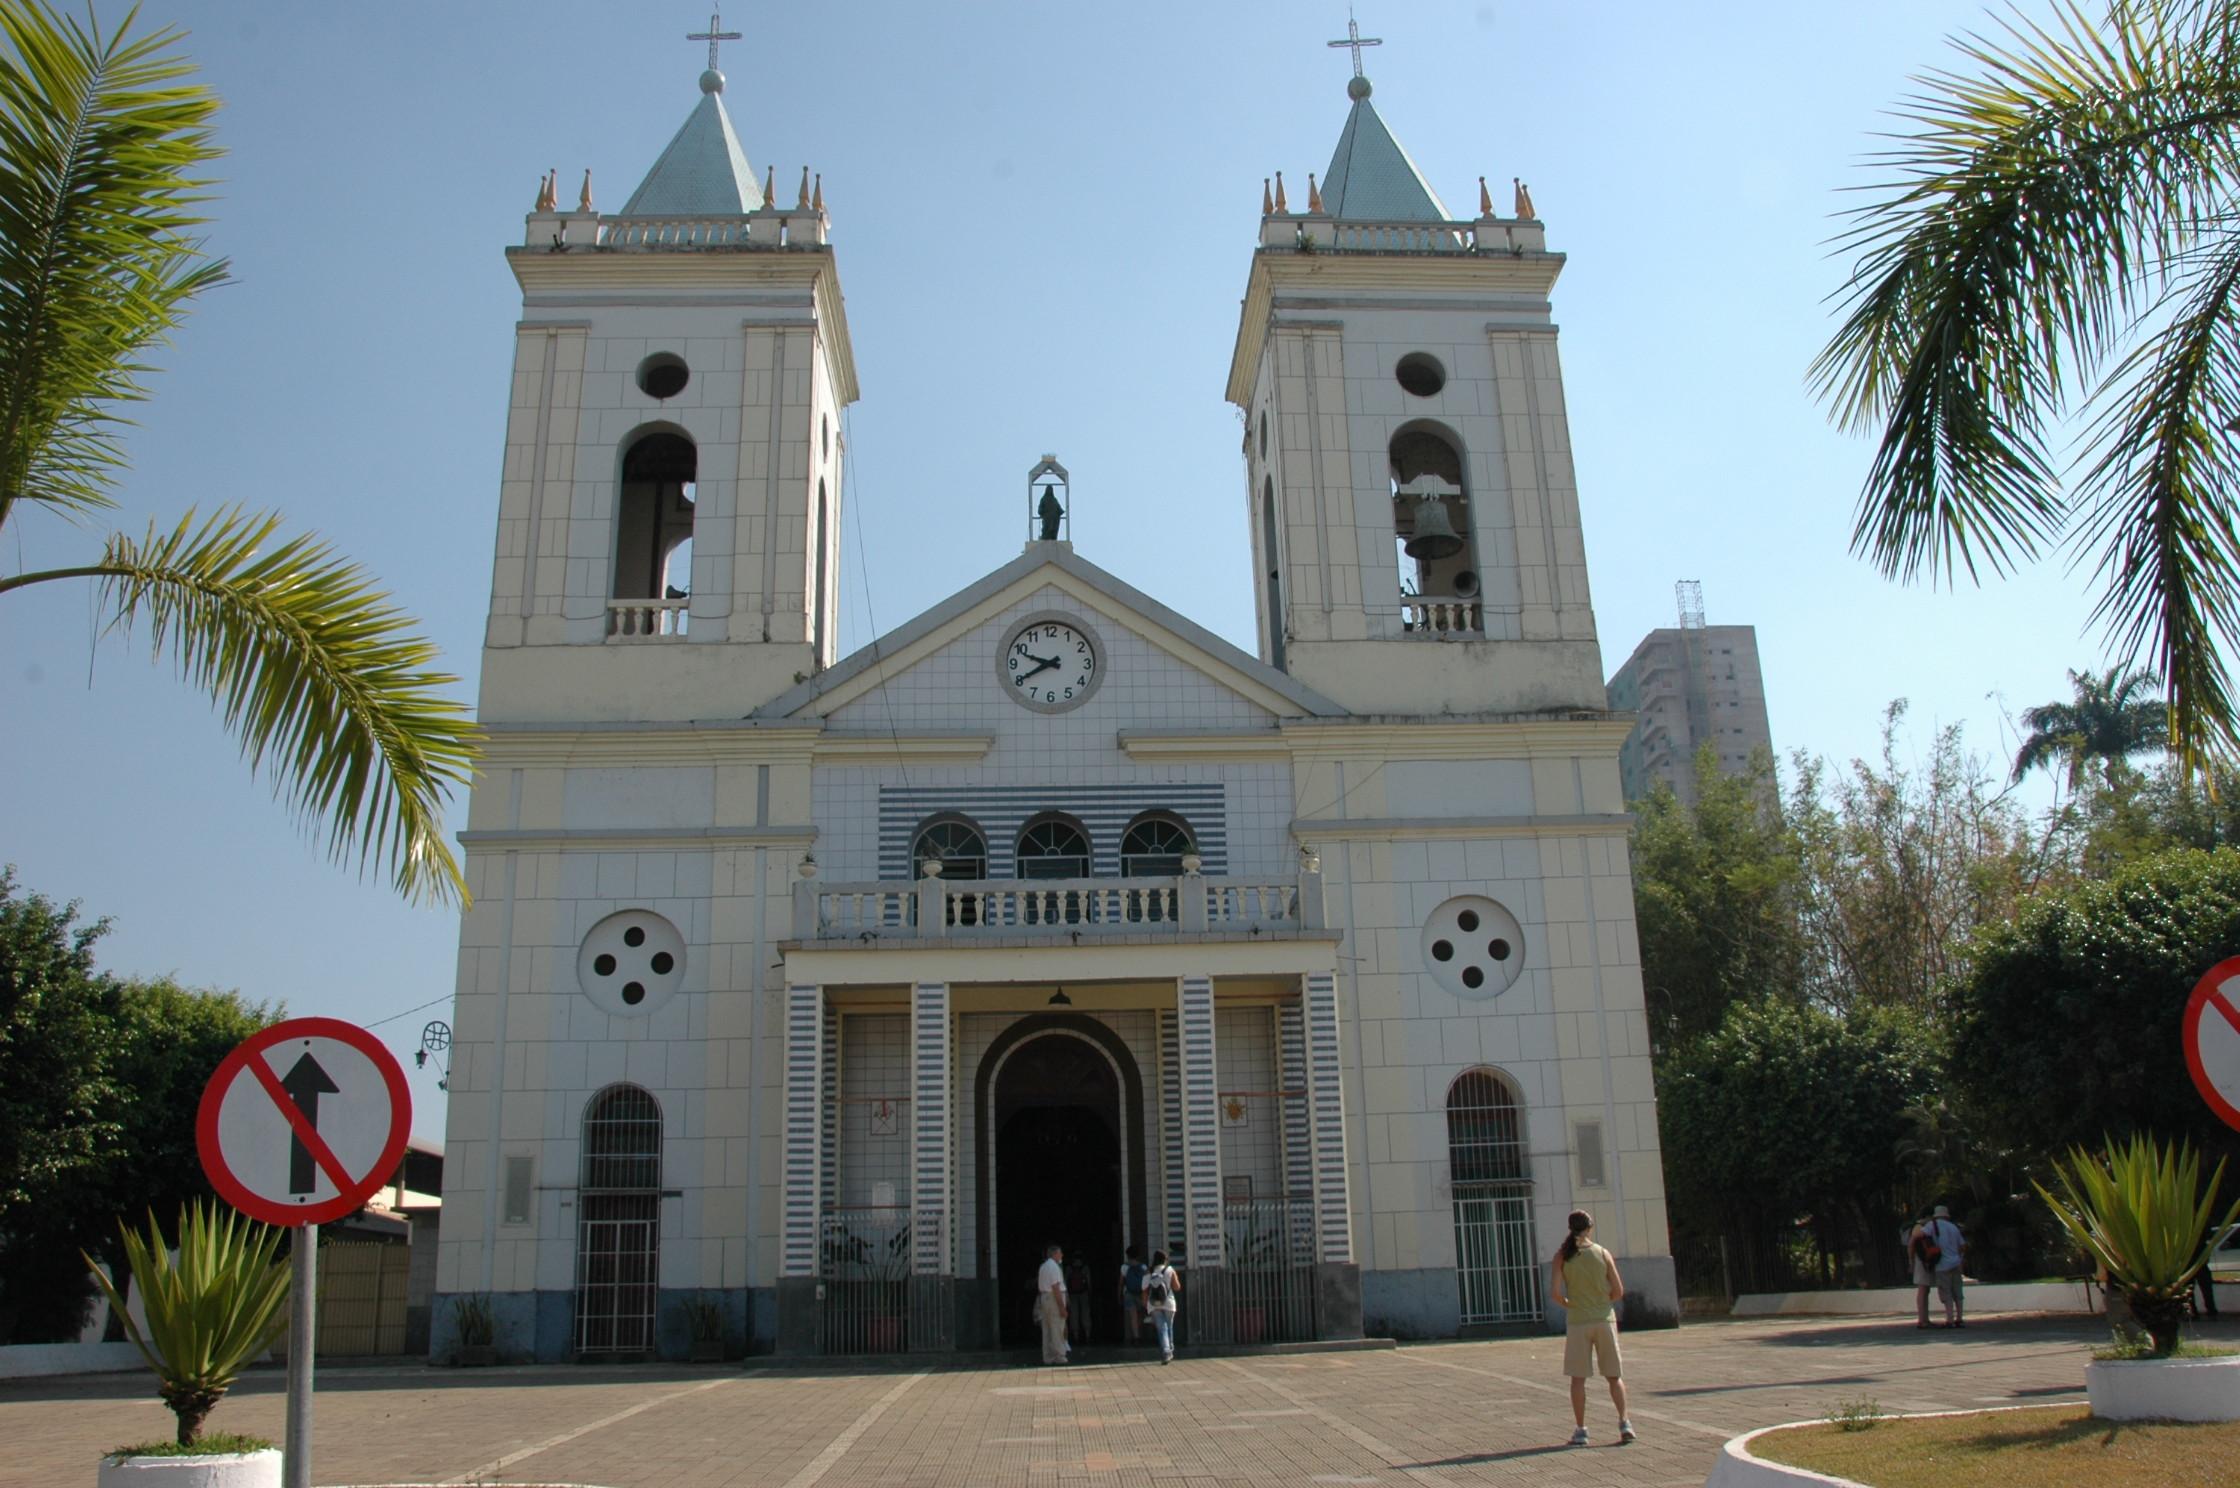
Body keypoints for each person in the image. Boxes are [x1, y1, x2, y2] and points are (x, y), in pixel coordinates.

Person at [1550, 1209, 1634, 1446]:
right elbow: (1618, 1291)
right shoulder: (1602, 1253)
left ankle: (1581, 1429)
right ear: (1590, 1227)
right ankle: (1624, 1422)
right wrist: (1601, 1300)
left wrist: (1571, 1303)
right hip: (1604, 1319)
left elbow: (1555, 1293)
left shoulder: (1562, 1256)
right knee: (1614, 1376)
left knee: (1578, 1378)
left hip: (1578, 1321)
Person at [1923, 1204, 1966, 1329]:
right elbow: (1962, 1246)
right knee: (1958, 1292)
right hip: (1956, 1263)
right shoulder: (1954, 1227)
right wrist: (1959, 1258)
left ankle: (1949, 1320)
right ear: (1946, 1216)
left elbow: (1919, 1236)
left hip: (1942, 1265)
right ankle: (1959, 1318)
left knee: (1945, 1292)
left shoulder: (1931, 1225)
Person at [1144, 1248, 1181, 1363]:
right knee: (1168, 1327)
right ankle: (1169, 1351)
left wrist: (1146, 1305)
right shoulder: (1170, 1270)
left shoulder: (1149, 1271)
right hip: (1169, 1303)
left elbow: (1144, 1290)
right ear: (1165, 1260)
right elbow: (1177, 1287)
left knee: (1162, 1329)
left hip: (1154, 1304)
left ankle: (1166, 1352)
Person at [1034, 1243, 1070, 1364]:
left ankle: (1048, 1356)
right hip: (1053, 1298)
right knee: (1057, 1327)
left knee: (1047, 1328)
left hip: (1045, 1297)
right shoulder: (1054, 1267)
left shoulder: (1043, 1266)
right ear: (1055, 1254)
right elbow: (1056, 1287)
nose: (1062, 1255)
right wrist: (1062, 1308)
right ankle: (1059, 1355)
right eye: (1060, 1253)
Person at [1906, 1213, 1937, 1328]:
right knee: (1923, 1290)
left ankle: (1924, 1318)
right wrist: (1911, 1261)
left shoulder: (1922, 1227)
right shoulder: (1920, 1228)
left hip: (1922, 1261)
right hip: (1921, 1261)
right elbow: (1911, 1244)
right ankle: (1922, 1319)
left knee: (1925, 1290)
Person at [1119, 1246, 1147, 1345]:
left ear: (1128, 1255)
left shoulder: (1124, 1267)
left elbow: (1121, 1282)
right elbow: (1146, 1282)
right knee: (1142, 1314)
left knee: (1132, 1316)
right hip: (1141, 1293)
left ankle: (1136, 1337)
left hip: (1129, 1293)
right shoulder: (1143, 1267)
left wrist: (1119, 1295)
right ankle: (1138, 1332)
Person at [1066, 1252, 1093, 1347]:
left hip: (1072, 1295)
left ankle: (1075, 1337)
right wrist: (1090, 1292)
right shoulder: (1085, 1268)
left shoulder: (1069, 1268)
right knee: (1085, 1314)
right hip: (1084, 1294)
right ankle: (1087, 1336)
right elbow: (1088, 1281)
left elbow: (1066, 1282)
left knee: (1074, 1315)